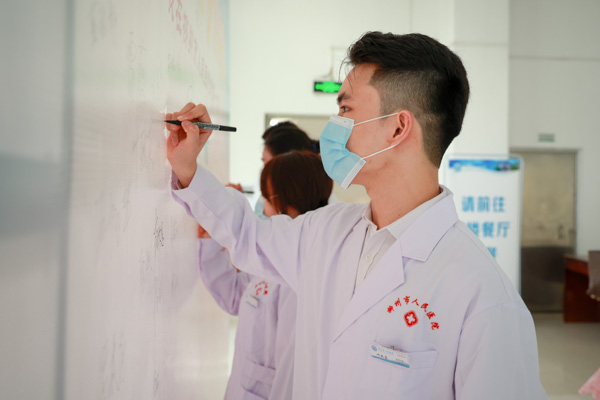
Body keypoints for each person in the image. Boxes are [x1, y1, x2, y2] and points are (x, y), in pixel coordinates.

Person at [166, 31, 547, 399]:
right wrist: (188, 169)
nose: (333, 129)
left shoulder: (483, 296)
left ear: (398, 127)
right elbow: (248, 235)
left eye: (345, 109)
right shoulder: (325, 232)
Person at [195, 150, 332, 400]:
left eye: (266, 197)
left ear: (288, 202)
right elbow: (237, 298)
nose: (261, 204)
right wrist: (210, 244)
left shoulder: (300, 278)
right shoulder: (272, 254)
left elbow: (291, 371)